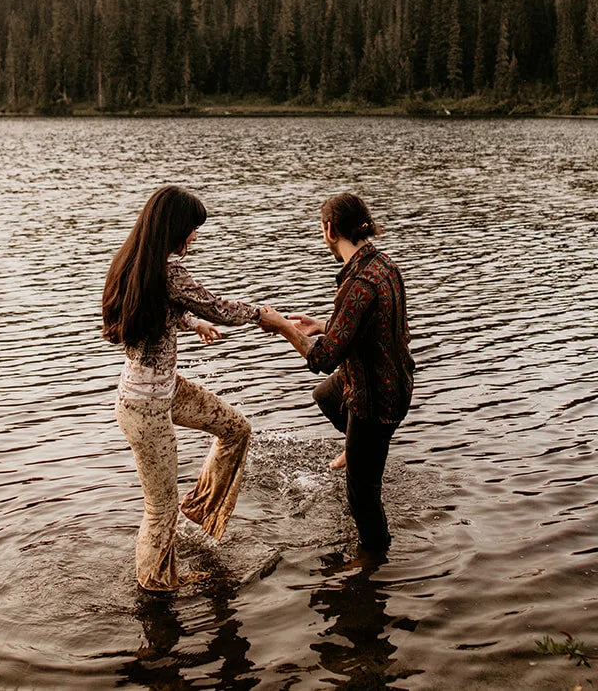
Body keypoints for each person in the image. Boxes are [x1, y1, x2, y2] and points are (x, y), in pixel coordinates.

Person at [102, 184, 293, 592]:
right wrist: (263, 315)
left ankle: (201, 507)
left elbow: (160, 309)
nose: (194, 236)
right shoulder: (168, 272)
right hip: (144, 407)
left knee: (236, 429)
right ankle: (155, 587)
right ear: (174, 228)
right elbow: (217, 307)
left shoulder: (137, 263)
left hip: (162, 390)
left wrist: (191, 323)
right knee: (159, 508)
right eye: (192, 228)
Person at [277, 193, 414, 557]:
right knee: (326, 395)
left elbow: (323, 358)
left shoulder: (358, 284)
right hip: (395, 380)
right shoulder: (383, 265)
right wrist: (323, 325)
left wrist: (283, 328)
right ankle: (359, 449)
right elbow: (373, 324)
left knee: (362, 497)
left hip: (375, 399)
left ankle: (374, 564)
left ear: (329, 230)